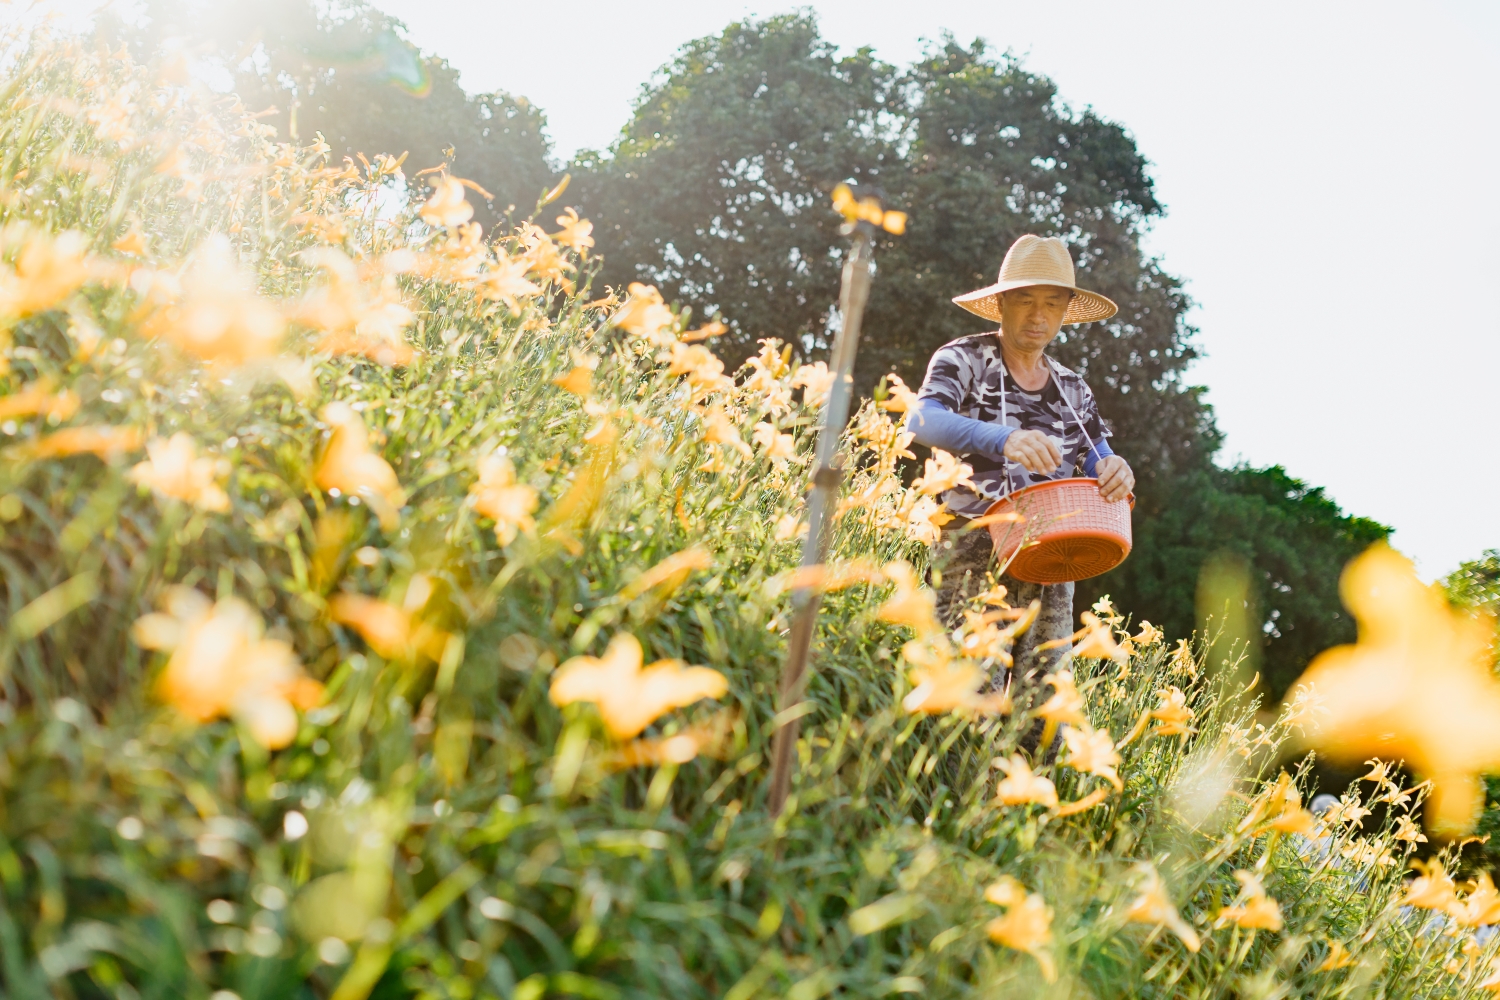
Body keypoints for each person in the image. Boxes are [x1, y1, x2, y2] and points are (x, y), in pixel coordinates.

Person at [906, 234, 1135, 681]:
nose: (1038, 315)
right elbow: (921, 421)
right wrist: (1002, 438)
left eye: (1052, 303)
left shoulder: (1072, 387)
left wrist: (1114, 468)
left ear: (1066, 311)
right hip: (969, 550)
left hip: (1051, 558)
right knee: (969, 699)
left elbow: (1096, 454)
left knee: (1042, 707)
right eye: (1025, 300)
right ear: (1002, 303)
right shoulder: (965, 359)